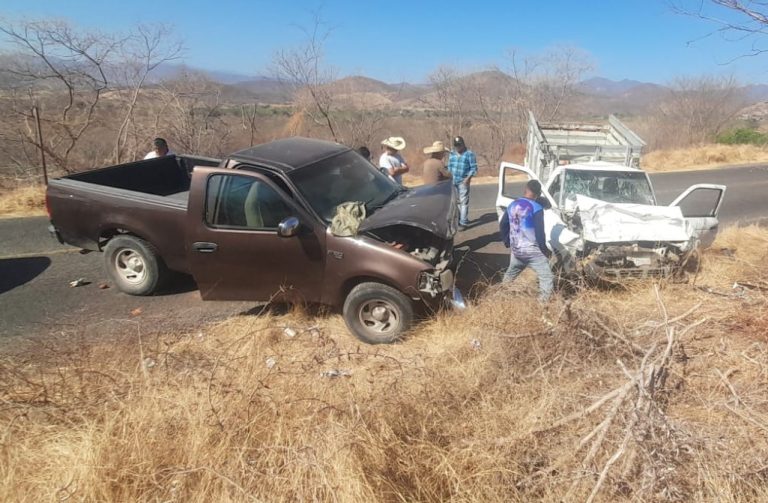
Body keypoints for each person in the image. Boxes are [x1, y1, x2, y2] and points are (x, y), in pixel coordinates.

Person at [499, 179, 554, 302]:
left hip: (517, 250)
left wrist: (507, 241)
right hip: (531, 252)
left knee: (511, 273)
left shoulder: (512, 204)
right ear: (537, 194)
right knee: (547, 277)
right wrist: (545, 251)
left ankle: (501, 297)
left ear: (526, 190)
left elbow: (503, 225)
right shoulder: (536, 208)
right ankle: (542, 305)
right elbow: (540, 233)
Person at [447, 136, 477, 228]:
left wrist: (468, 178)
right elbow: (449, 166)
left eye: (459, 145)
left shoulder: (469, 154)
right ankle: (461, 218)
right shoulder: (452, 153)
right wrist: (449, 177)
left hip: (463, 181)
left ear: (463, 144)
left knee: (464, 202)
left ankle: (463, 222)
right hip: (453, 181)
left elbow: (474, 168)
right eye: (456, 146)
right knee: (457, 202)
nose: (458, 147)